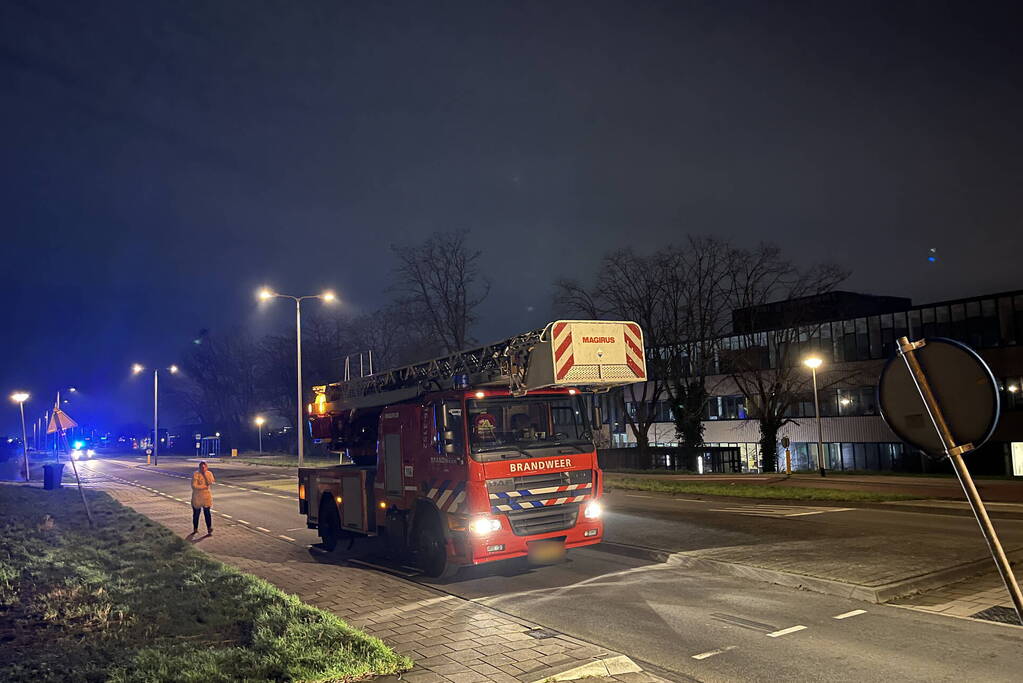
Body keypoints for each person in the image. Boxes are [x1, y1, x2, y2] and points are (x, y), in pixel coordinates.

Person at [190, 461, 215, 535]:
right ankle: (195, 529)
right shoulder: (196, 474)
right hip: (197, 497)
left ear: (206, 467)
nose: (203, 468)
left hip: (206, 497)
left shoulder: (209, 473)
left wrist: (205, 475)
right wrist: (203, 487)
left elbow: (210, 482)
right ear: (199, 467)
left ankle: (209, 528)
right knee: (196, 514)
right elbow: (194, 486)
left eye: (204, 467)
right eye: (201, 467)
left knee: (207, 513)